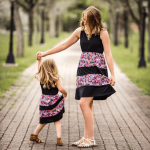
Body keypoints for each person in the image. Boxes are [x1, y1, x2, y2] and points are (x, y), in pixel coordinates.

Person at [36, 6, 116, 148]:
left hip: (97, 72)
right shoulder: (79, 32)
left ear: (93, 19)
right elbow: (64, 45)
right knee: (88, 104)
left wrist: (113, 74)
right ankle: (86, 137)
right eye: (83, 17)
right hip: (83, 71)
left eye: (86, 17)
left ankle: (90, 139)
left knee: (83, 103)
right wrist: (45, 53)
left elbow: (108, 54)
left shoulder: (103, 33)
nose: (83, 19)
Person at [29, 57, 67, 146]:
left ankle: (34, 135)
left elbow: (39, 70)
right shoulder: (55, 78)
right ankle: (59, 139)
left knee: (44, 120)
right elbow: (61, 89)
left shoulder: (42, 77)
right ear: (53, 67)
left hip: (44, 102)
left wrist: (39, 61)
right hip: (54, 102)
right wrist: (65, 93)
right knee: (57, 119)